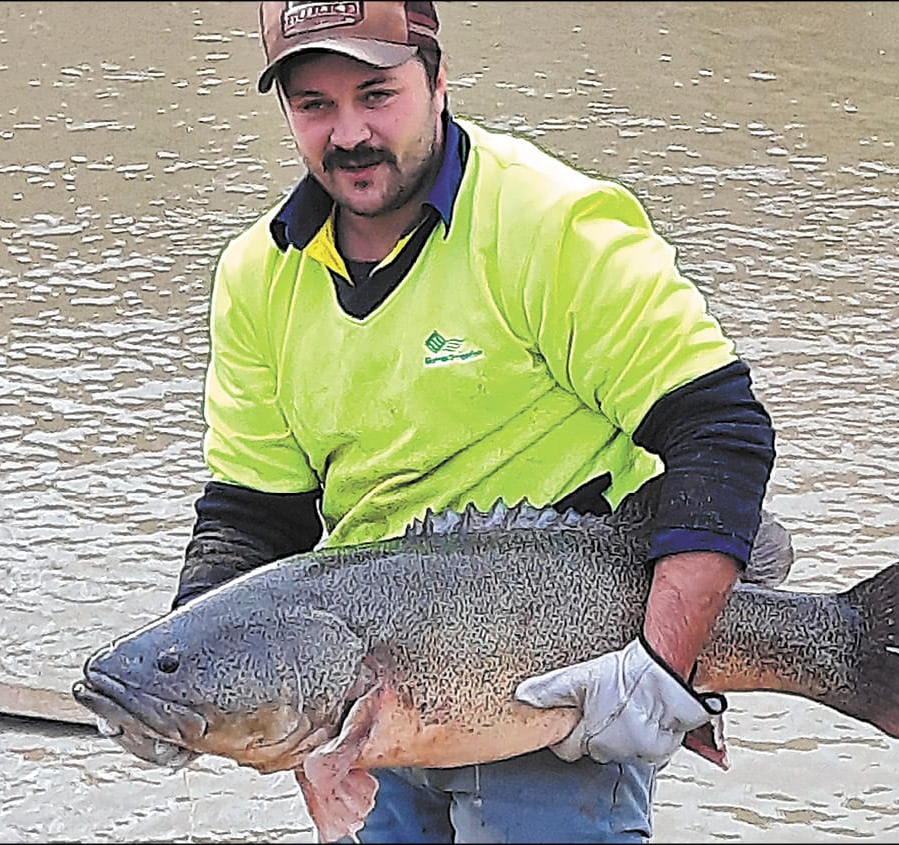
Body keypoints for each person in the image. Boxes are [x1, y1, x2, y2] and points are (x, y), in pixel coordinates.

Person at [171, 2, 775, 841]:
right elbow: (252, 516)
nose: (350, 133)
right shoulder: (256, 277)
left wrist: (657, 669)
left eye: (376, 94)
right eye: (315, 105)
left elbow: (720, 428)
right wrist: (183, 677)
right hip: (369, 708)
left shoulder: (548, 222)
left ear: (438, 79)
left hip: (560, 695)